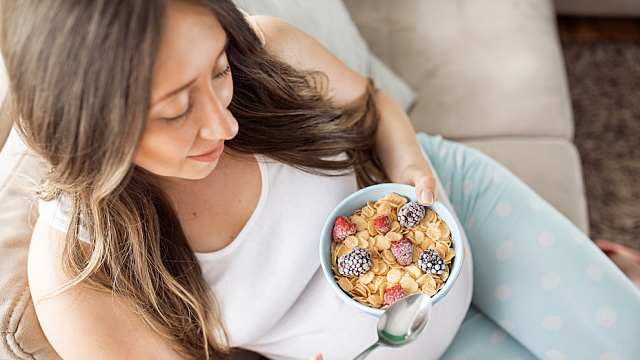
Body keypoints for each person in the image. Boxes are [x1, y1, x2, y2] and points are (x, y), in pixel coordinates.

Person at [0, 0, 637, 359]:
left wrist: (411, 161)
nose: (223, 125)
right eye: (174, 111)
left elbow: (371, 108)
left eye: (218, 71)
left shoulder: (267, 50)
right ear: (84, 126)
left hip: (462, 212)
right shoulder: (82, 274)